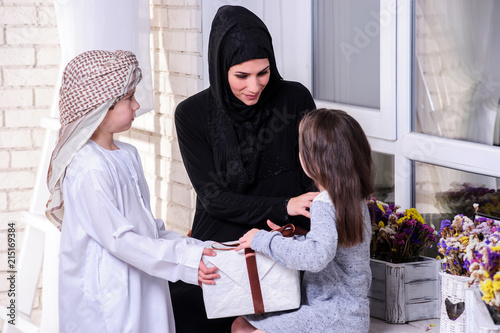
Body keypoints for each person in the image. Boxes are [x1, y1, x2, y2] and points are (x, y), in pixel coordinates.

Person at [45, 50, 219, 333]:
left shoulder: (127, 154)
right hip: (110, 297)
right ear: (101, 107)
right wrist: (186, 262)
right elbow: (120, 240)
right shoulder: (89, 167)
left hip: (143, 281)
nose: (137, 105)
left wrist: (203, 250)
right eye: (128, 98)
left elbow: (147, 229)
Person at [171, 5, 318, 332]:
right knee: (182, 305)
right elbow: (213, 198)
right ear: (220, 68)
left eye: (263, 73)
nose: (254, 86)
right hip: (223, 246)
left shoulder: (294, 99)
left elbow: (314, 177)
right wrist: (283, 205)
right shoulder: (191, 114)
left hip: (285, 242)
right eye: (241, 76)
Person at [232, 108, 374, 333]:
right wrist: (295, 238)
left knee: (243, 327)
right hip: (350, 314)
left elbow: (317, 257)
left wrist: (261, 240)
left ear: (312, 160)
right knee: (243, 322)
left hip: (330, 315)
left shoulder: (324, 203)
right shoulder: (353, 198)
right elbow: (332, 247)